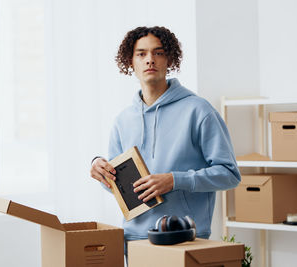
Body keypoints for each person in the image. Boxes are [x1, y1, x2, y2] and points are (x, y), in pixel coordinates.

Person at [90, 26, 240, 247]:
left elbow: (229, 174)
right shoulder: (122, 120)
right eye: (141, 54)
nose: (150, 60)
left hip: (185, 237)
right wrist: (100, 170)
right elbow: (118, 187)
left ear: (169, 60)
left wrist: (174, 180)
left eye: (158, 53)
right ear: (131, 62)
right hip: (134, 240)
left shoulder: (199, 110)